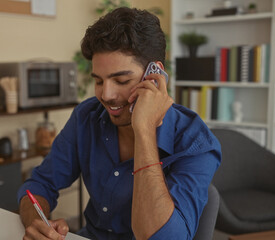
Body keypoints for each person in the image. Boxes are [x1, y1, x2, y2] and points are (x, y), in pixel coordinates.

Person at [17, 7, 221, 240]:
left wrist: (144, 130)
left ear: (155, 76)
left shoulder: (195, 142)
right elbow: (40, 184)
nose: (106, 95)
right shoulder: (87, 116)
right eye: (98, 81)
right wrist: (36, 222)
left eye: (121, 80)